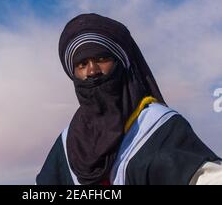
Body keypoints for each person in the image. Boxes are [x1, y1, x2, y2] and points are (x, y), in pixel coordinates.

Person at [36, 13, 222, 185]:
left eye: (101, 58)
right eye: (82, 64)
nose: (92, 71)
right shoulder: (69, 144)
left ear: (120, 63)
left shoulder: (157, 128)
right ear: (74, 74)